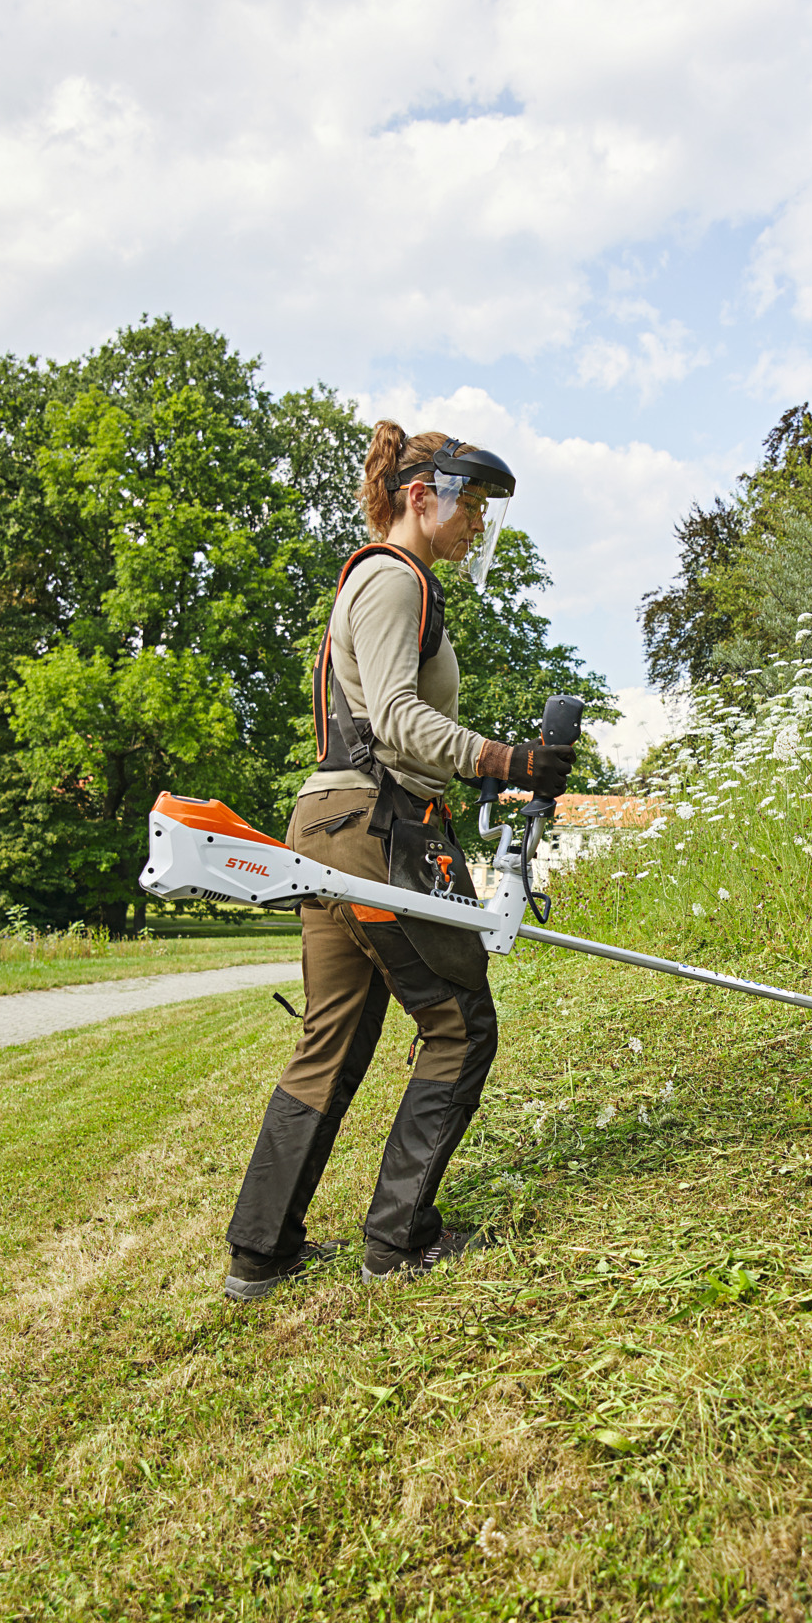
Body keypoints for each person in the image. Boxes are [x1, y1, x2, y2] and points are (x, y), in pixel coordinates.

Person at [222, 422, 576, 1301]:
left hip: (333, 817)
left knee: (331, 1039)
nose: (477, 528)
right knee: (459, 1023)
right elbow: (396, 721)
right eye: (474, 508)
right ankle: (399, 1239)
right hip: (376, 826)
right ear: (423, 497)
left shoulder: (375, 582)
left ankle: (258, 1255)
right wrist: (510, 761)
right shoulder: (392, 580)